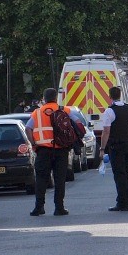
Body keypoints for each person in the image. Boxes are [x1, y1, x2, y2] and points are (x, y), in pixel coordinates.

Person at [26, 88, 71, 217]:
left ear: (44, 99)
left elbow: (28, 128)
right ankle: (59, 208)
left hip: (43, 151)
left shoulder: (37, 113)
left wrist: (34, 143)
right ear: (56, 98)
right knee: (60, 180)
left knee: (41, 179)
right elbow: (77, 124)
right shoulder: (65, 110)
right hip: (61, 150)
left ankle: (39, 207)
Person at [97, 86, 128, 212]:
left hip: (117, 146)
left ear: (109, 96)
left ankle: (121, 203)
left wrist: (102, 148)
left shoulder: (109, 111)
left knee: (119, 175)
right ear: (120, 95)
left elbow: (106, 131)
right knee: (127, 174)